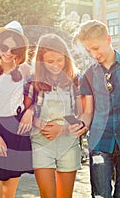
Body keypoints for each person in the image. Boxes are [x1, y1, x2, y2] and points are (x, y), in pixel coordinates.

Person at [73, 20, 120, 198]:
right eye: (88, 50)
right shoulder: (88, 74)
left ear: (108, 39)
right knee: (100, 195)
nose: (93, 54)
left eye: (96, 48)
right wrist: (81, 124)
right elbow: (88, 111)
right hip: (99, 144)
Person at [25, 33, 87, 198]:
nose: (55, 65)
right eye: (50, 61)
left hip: (68, 142)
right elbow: (23, 113)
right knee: (48, 195)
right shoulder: (33, 81)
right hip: (41, 142)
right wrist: (38, 122)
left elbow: (81, 116)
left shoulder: (75, 80)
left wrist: (63, 129)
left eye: (60, 60)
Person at [0, 20, 34, 198]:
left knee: (8, 194)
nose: (8, 53)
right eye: (4, 47)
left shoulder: (26, 71)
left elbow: (39, 97)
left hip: (16, 130)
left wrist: (30, 112)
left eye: (14, 49)